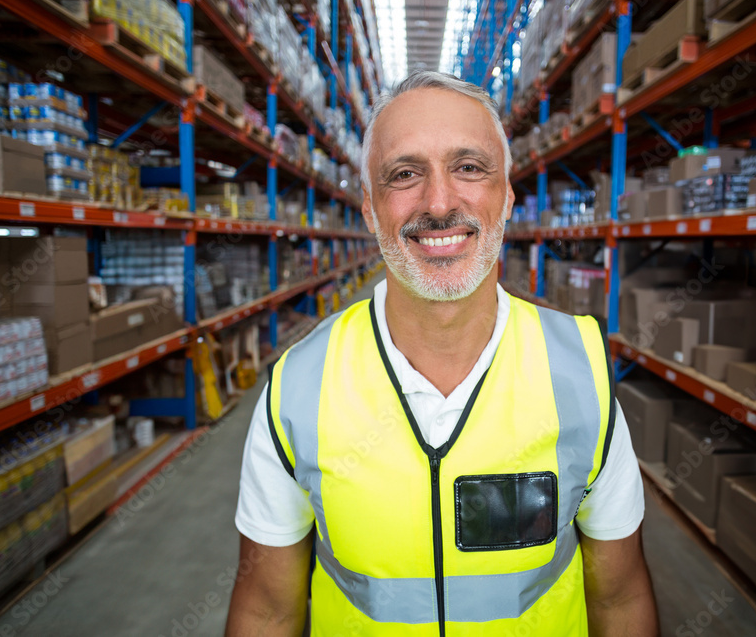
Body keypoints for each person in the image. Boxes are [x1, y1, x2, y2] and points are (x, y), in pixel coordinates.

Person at [226, 70, 659, 636]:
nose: (438, 202)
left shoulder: (580, 374)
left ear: (506, 196)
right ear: (369, 209)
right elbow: (267, 609)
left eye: (469, 167)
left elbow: (620, 598)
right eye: (405, 174)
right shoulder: (297, 387)